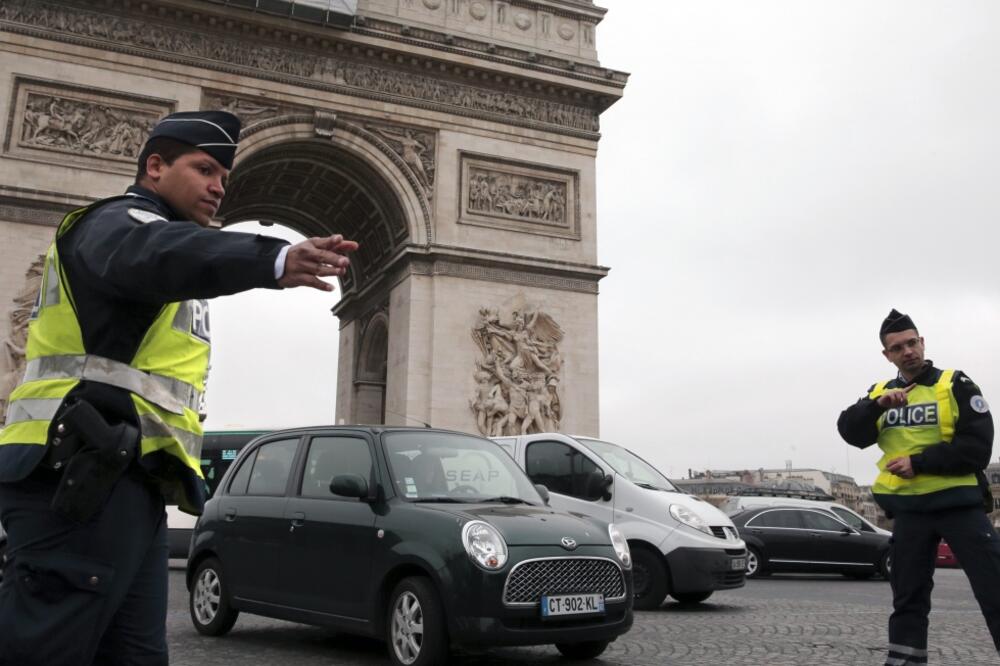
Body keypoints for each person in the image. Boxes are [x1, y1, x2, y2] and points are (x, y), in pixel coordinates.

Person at [0, 110, 358, 666]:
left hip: (133, 485)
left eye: (225, 178)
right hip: (73, 480)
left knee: (138, 656)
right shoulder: (114, 225)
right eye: (205, 169)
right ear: (155, 166)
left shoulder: (171, 248)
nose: (218, 187)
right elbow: (157, 253)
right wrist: (276, 256)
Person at [837, 309, 1000, 665]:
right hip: (911, 513)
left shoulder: (955, 384)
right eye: (897, 348)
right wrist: (876, 406)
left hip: (959, 508)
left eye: (912, 343)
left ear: (922, 343)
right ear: (887, 355)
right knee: (907, 599)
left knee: (995, 587)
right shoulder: (880, 393)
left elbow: (978, 448)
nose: (907, 351)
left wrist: (919, 463)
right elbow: (850, 431)